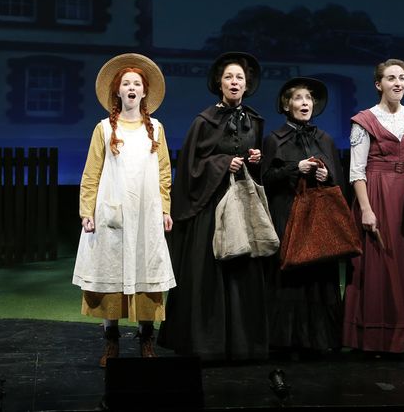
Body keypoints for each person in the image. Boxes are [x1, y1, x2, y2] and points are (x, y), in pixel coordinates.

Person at [157, 51, 269, 361]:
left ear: (247, 85)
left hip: (242, 207)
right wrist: (221, 163)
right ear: (219, 83)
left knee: (241, 273)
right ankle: (206, 344)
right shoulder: (204, 121)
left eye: (240, 78)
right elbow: (192, 166)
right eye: (229, 77)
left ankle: (242, 344)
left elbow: (258, 167)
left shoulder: (254, 120)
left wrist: (256, 160)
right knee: (209, 274)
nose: (234, 82)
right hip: (211, 207)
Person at [72, 53, 175, 367]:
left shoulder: (155, 129)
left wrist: (165, 209)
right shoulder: (103, 129)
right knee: (112, 272)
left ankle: (146, 339)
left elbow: (164, 172)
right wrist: (86, 210)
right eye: (126, 83)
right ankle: (111, 341)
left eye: (137, 84)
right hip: (112, 212)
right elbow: (91, 173)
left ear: (144, 92)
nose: (132, 87)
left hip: (146, 214)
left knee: (147, 273)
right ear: (117, 91)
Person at [342, 58, 404, 353]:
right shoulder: (364, 121)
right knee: (377, 265)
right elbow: (356, 171)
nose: (398, 83)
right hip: (376, 194)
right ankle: (372, 337)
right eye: (391, 78)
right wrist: (365, 209)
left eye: (402, 78)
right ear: (379, 85)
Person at [261, 77, 345, 355]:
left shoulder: (325, 139)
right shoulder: (275, 139)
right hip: (287, 215)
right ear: (287, 105)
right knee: (289, 277)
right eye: (298, 98)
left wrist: (326, 174)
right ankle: (285, 341)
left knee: (319, 276)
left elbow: (337, 181)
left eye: (308, 99)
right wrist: (294, 168)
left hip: (318, 220)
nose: (304, 103)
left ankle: (320, 340)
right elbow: (266, 180)